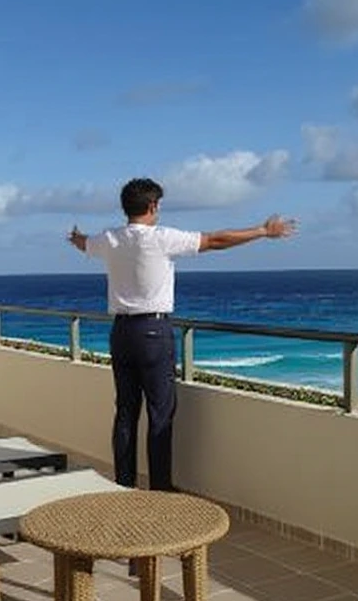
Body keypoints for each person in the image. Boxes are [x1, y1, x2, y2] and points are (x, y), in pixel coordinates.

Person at [68, 177, 297, 494]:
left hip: (121, 332)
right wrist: (262, 231)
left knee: (125, 413)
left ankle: (124, 487)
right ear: (152, 206)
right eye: (158, 205)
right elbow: (215, 241)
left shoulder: (109, 239)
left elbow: (84, 244)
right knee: (160, 414)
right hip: (153, 332)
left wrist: (77, 237)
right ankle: (160, 491)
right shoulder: (161, 238)